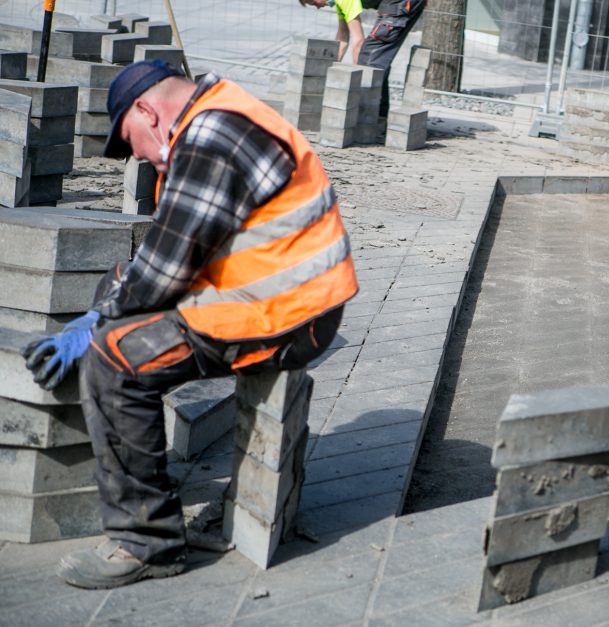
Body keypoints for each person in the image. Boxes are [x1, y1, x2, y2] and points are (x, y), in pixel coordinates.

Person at [21, 59, 359, 589]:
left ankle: (147, 542)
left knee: (115, 357)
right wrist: (109, 300)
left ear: (147, 111)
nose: (135, 155)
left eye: (129, 139)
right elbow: (169, 252)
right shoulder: (219, 113)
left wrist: (97, 322)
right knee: (114, 285)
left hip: (287, 313)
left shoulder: (209, 136)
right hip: (269, 289)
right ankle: (130, 469)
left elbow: (164, 271)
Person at [299, 0, 426, 116]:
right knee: (375, 60)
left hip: (402, 2)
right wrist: (331, 69)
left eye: (313, 2)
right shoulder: (339, 3)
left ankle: (371, 117)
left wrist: (356, 79)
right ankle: (377, 118)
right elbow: (343, 36)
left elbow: (358, 40)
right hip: (396, 4)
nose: (317, 7)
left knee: (370, 57)